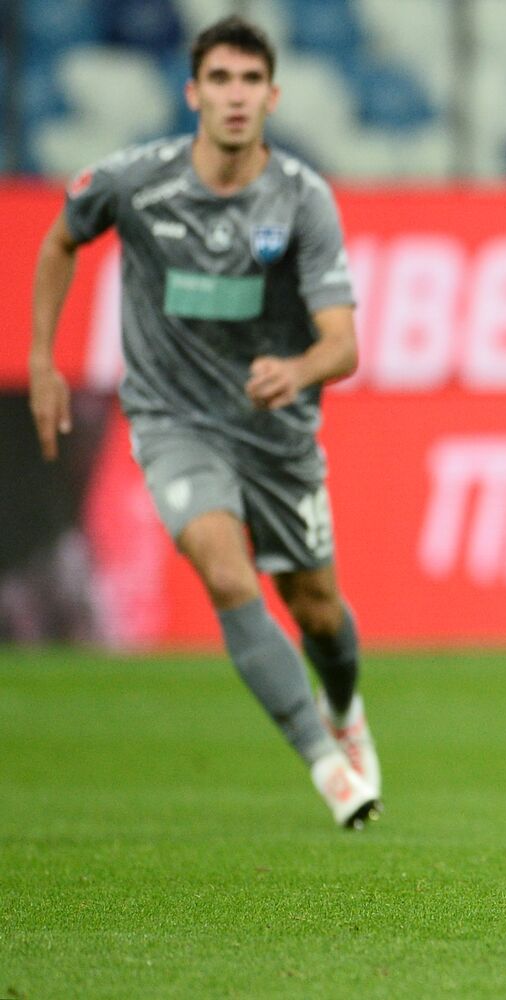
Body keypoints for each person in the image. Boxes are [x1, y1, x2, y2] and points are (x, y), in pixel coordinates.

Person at [28, 16, 380, 829]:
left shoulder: (301, 198)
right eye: (219, 79)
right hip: (172, 419)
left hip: (276, 433)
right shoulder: (134, 182)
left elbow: (344, 343)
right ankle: (329, 770)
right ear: (193, 93)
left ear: (272, 96)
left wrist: (295, 368)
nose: (234, 95)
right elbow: (59, 240)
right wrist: (43, 360)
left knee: (316, 605)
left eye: (249, 81)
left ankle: (344, 708)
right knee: (226, 574)